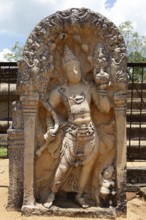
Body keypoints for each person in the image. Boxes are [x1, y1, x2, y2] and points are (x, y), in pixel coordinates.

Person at [43, 45, 110, 209]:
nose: (74, 72)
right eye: (70, 69)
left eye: (76, 68)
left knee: (86, 167)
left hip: (90, 133)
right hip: (71, 133)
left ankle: (79, 195)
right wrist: (50, 127)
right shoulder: (60, 91)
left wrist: (102, 91)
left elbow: (105, 109)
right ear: (65, 73)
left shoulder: (89, 88)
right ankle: (52, 192)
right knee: (63, 165)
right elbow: (48, 112)